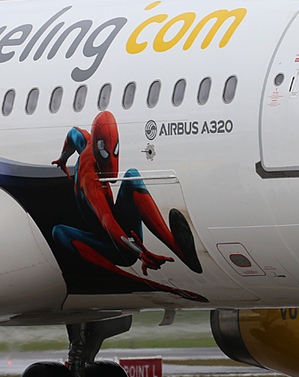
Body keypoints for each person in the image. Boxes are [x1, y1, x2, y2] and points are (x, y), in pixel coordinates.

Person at [51, 111, 203, 287]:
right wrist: (139, 252)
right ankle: (134, 276)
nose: (112, 159)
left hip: (122, 228)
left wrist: (62, 159)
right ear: (97, 149)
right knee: (59, 232)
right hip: (118, 246)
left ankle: (180, 250)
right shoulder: (90, 180)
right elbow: (107, 221)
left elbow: (71, 134)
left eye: (115, 150)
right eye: (106, 154)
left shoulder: (85, 141)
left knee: (132, 176)